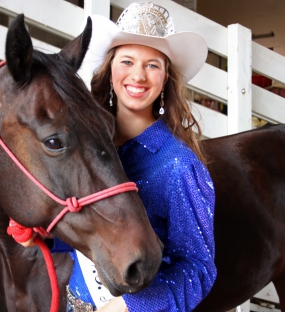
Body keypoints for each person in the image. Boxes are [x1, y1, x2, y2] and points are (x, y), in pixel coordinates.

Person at [14, 3, 216, 312]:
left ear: (165, 79)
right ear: (110, 69)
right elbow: (96, 228)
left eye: (153, 65)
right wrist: (46, 237)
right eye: (127, 61)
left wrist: (129, 306)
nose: (138, 75)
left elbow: (199, 269)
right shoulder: (88, 148)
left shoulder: (179, 165)